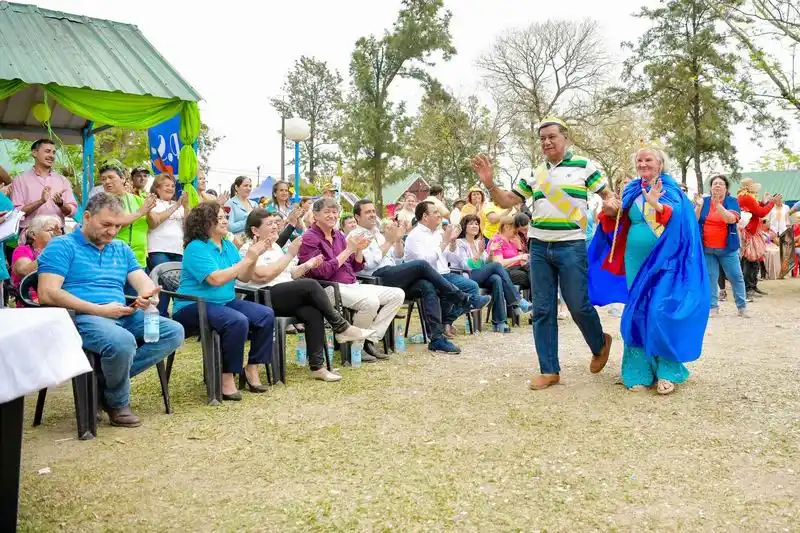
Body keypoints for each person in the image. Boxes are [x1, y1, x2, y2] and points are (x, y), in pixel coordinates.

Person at [470, 117, 614, 390]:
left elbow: (607, 195)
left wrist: (611, 205)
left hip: (571, 245)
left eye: (552, 136)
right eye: (542, 138)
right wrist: (490, 184)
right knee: (544, 309)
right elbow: (507, 201)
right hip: (538, 247)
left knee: (578, 305)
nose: (547, 142)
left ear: (565, 138)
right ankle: (549, 370)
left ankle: (599, 342)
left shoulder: (584, 166)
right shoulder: (533, 173)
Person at [37, 193, 184, 426]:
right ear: (87, 217)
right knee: (122, 341)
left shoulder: (120, 249)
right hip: (81, 317)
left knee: (173, 331)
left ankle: (99, 385)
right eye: (106, 224)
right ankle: (117, 402)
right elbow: (47, 292)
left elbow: (143, 282)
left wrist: (148, 296)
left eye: (117, 225)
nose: (112, 231)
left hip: (119, 314)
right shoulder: (62, 246)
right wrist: (98, 310)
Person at [590, 147, 709, 395]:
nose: (643, 164)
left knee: (659, 310)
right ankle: (638, 371)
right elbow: (619, 220)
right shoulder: (633, 189)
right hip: (635, 259)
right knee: (638, 311)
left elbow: (679, 220)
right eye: (639, 160)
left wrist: (657, 204)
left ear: (660, 163)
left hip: (667, 260)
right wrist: (610, 212)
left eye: (649, 160)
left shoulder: (671, 189)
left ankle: (668, 371)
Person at [239, 209, 374, 381]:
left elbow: (290, 274)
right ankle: (341, 326)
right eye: (269, 224)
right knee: (310, 284)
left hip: (283, 293)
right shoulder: (247, 249)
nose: (275, 226)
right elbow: (262, 275)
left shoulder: (275, 247)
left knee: (312, 311)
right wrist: (290, 254)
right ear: (255, 230)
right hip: (262, 297)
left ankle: (317, 366)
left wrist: (307, 265)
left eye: (275, 222)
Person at [172, 202, 274, 400]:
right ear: (204, 223)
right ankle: (226, 376)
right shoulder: (196, 248)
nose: (225, 221)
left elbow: (244, 277)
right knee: (236, 321)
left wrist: (253, 258)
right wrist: (247, 259)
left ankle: (252, 367)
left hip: (224, 302)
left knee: (265, 315)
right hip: (193, 306)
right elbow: (216, 279)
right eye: (219, 218)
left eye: (225, 217)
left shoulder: (227, 245)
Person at [352, 199, 468, 353]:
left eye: (373, 211)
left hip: (391, 274)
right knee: (421, 264)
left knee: (427, 286)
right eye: (368, 212)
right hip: (375, 278)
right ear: (357, 217)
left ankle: (437, 339)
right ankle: (458, 296)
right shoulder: (355, 236)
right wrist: (389, 241)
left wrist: (398, 240)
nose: (373, 215)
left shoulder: (378, 234)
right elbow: (368, 264)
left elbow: (397, 257)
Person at [298, 198, 405, 362]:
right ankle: (356, 345)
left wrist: (359, 251)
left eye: (334, 212)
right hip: (327, 288)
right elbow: (321, 272)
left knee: (397, 294)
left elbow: (355, 268)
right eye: (327, 212)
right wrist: (348, 251)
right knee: (370, 302)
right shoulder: (309, 238)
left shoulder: (339, 236)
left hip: (351, 284)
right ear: (316, 215)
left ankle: (369, 338)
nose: (332, 215)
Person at [404, 201, 491, 337]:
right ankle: (451, 318)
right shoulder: (415, 236)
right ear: (425, 216)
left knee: (472, 287)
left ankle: (446, 321)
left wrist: (452, 241)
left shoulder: (439, 233)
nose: (440, 215)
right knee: (468, 289)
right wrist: (444, 242)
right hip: (425, 277)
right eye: (436, 212)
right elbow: (425, 262)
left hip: (445, 273)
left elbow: (450, 257)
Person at [446, 214, 530, 333]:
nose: (475, 226)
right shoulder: (460, 243)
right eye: (471, 223)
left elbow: (486, 263)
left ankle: (499, 322)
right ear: (465, 226)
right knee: (497, 266)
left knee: (496, 278)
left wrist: (490, 253)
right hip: (466, 276)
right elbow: (465, 265)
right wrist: (479, 254)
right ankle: (517, 300)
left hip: (479, 274)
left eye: (476, 223)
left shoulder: (478, 242)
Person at [695, 175, 748, 317]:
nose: (717, 186)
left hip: (727, 248)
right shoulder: (704, 201)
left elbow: (730, 219)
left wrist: (718, 205)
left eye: (721, 184)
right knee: (711, 276)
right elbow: (694, 221)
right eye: (714, 184)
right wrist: (698, 207)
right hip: (707, 248)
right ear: (711, 187)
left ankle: (741, 306)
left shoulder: (732, 201)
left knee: (735, 276)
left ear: (726, 187)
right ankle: (713, 307)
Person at [11, 139, 78, 239]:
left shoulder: (62, 180)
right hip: (31, 235)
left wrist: (61, 204)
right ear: (34, 153)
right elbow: (17, 213)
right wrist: (40, 201)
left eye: (54, 152)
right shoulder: (20, 180)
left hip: (57, 233)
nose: (51, 155)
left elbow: (72, 211)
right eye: (47, 151)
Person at [99, 165, 156, 269]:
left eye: (111, 177)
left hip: (139, 259)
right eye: (103, 179)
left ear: (123, 179)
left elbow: (153, 224)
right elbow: (116, 223)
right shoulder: (102, 202)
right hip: (113, 258)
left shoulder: (138, 199)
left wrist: (149, 210)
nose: (107, 181)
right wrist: (141, 212)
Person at [737, 178, 776, 298]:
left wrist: (765, 202)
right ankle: (748, 288)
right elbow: (761, 213)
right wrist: (772, 203)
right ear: (748, 186)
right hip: (750, 232)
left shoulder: (746, 196)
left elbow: (757, 209)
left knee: (753, 260)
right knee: (750, 260)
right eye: (753, 184)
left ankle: (752, 286)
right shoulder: (747, 197)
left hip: (752, 230)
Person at [11, 215, 62, 307]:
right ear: (33, 234)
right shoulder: (22, 250)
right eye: (50, 230)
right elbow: (24, 270)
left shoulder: (61, 253)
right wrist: (53, 248)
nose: (54, 234)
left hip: (59, 301)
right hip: (31, 304)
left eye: (57, 231)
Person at [147, 173, 187, 271]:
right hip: (158, 250)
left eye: (173, 186)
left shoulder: (179, 205)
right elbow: (155, 222)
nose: (170, 188)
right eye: (167, 185)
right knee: (164, 281)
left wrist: (186, 207)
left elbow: (187, 226)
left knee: (177, 282)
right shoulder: (152, 202)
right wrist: (177, 205)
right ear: (157, 188)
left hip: (178, 250)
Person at [488, 216, 531, 289]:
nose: (517, 232)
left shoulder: (513, 240)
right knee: (529, 277)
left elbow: (522, 262)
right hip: (505, 271)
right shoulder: (497, 241)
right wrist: (518, 257)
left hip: (518, 268)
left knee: (535, 271)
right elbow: (499, 264)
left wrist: (519, 246)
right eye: (515, 229)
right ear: (506, 227)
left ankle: (536, 298)